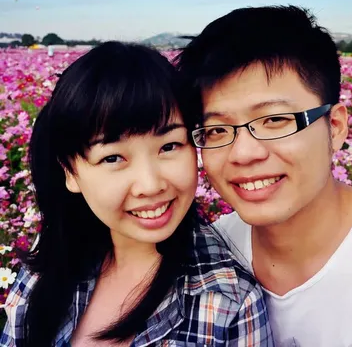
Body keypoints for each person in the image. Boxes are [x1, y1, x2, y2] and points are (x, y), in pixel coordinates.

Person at [0, 42, 273, 346]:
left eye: (169, 146)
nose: (150, 185)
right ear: (70, 172)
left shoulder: (228, 304)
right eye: (113, 158)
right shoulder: (45, 267)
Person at [176, 6, 352, 347]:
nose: (243, 153)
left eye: (275, 120)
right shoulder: (210, 255)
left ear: (335, 126)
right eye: (217, 129)